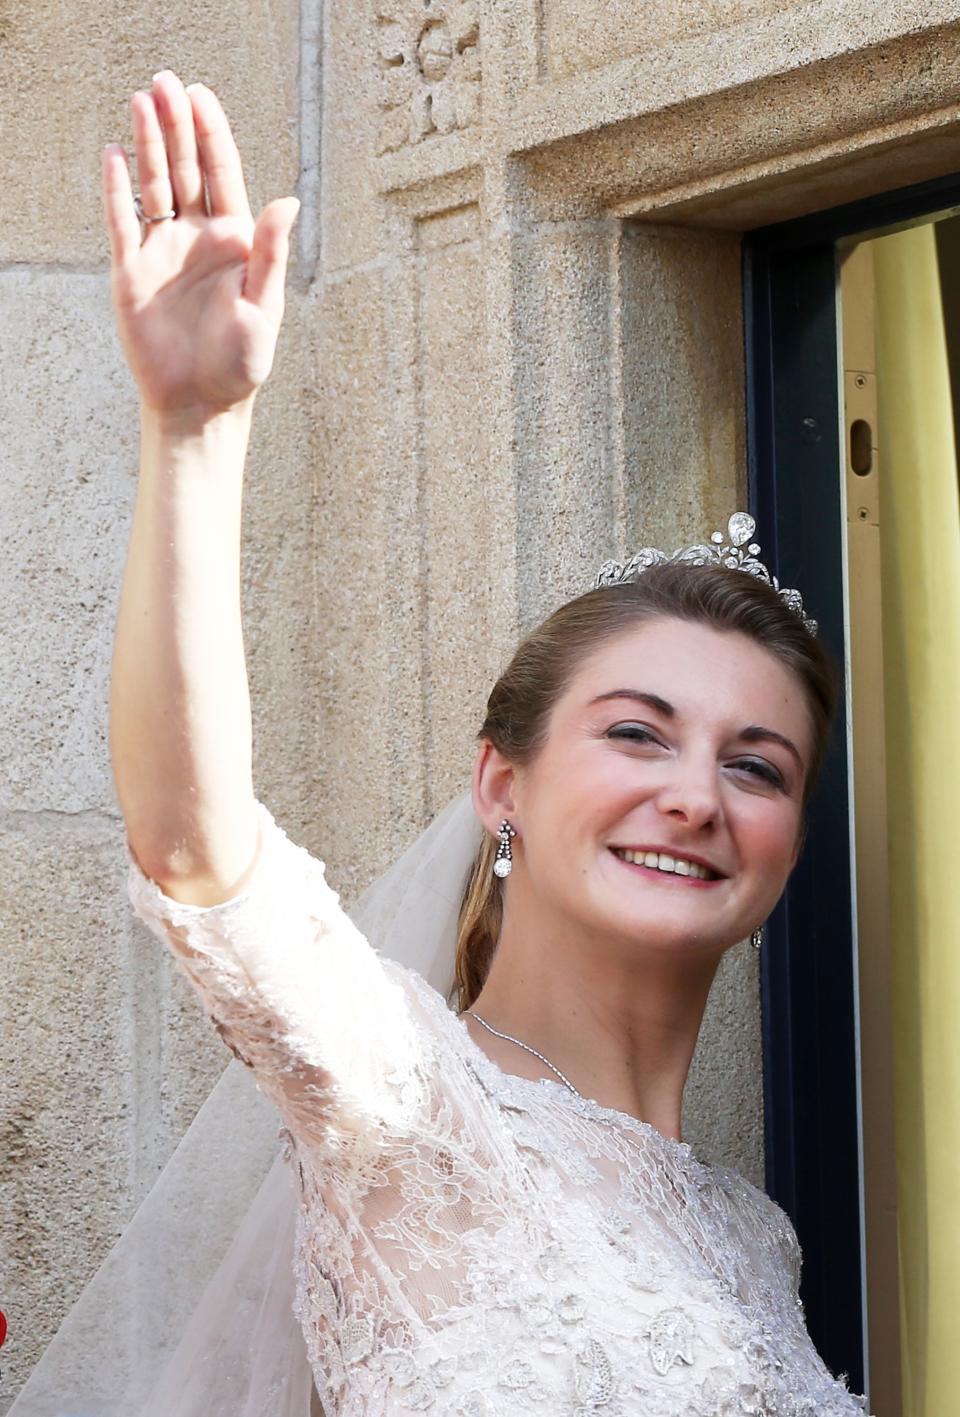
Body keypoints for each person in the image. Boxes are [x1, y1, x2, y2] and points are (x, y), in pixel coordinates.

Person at [9, 70, 873, 1417]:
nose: (696, 793)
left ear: (792, 837)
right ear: (500, 782)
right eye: (637, 732)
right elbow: (198, 847)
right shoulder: (411, 1105)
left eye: (755, 763)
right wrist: (193, 434)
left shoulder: (754, 1244)